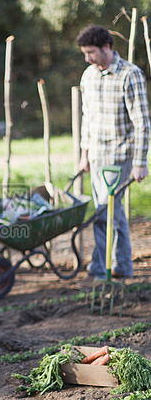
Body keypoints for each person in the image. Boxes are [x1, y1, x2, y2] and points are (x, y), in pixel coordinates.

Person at [77, 24, 150, 280]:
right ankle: (116, 265)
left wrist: (141, 162)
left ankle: (106, 267)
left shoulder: (130, 75)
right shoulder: (89, 75)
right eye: (85, 53)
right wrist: (85, 153)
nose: (87, 58)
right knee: (106, 212)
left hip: (120, 156)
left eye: (91, 52)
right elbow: (88, 117)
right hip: (97, 156)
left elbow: (142, 121)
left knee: (107, 212)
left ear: (106, 47)